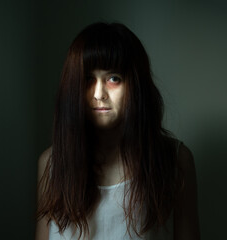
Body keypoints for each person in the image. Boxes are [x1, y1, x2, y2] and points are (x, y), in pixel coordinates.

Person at [35, 22, 200, 240]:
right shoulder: (52, 164)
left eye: (113, 78)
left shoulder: (175, 161)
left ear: (136, 85)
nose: (98, 94)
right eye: (87, 80)